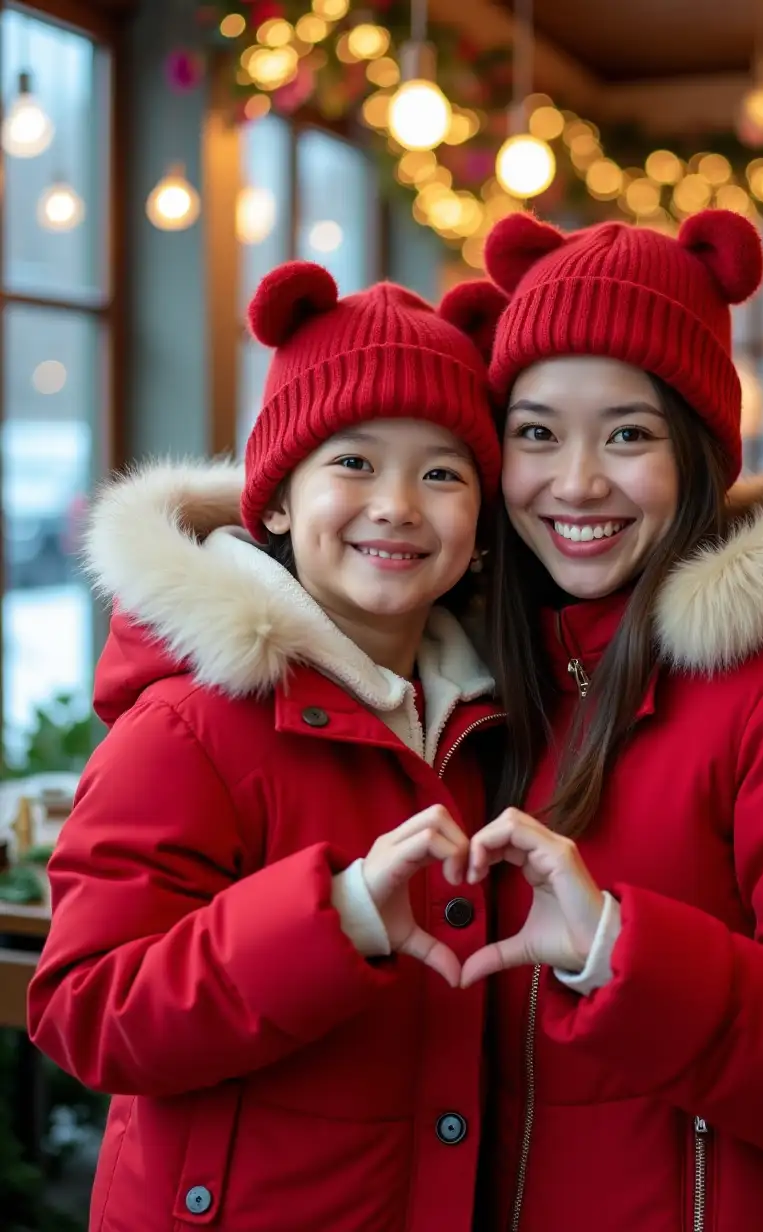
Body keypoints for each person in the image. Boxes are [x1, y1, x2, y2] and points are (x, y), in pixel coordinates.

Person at [445, 209, 763, 1232]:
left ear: (699, 451)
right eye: (536, 432)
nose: (575, 481)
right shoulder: (477, 682)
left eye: (628, 433)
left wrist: (619, 951)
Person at [28, 261, 504, 1232]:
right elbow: (84, 1006)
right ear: (277, 500)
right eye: (354, 461)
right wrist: (334, 918)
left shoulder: (491, 723)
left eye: (441, 470)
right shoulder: (187, 725)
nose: (399, 504)